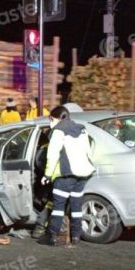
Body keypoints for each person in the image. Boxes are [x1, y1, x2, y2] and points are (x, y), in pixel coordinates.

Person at [40, 106, 95, 247]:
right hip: (82, 174)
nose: (50, 122)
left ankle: (52, 236)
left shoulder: (58, 131)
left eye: (50, 119)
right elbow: (88, 151)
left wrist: (47, 174)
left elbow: (52, 155)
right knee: (76, 206)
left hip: (65, 175)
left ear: (54, 118)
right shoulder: (82, 129)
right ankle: (76, 237)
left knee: (58, 206)